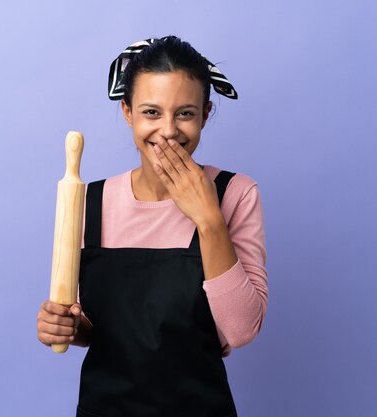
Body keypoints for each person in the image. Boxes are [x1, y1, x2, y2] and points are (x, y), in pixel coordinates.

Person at [37, 36, 268, 417]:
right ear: (128, 112)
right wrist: (69, 329)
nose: (168, 131)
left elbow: (241, 329)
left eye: (185, 113)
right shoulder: (89, 203)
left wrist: (208, 219)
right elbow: (105, 329)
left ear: (206, 114)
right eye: (151, 112)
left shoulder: (234, 194)